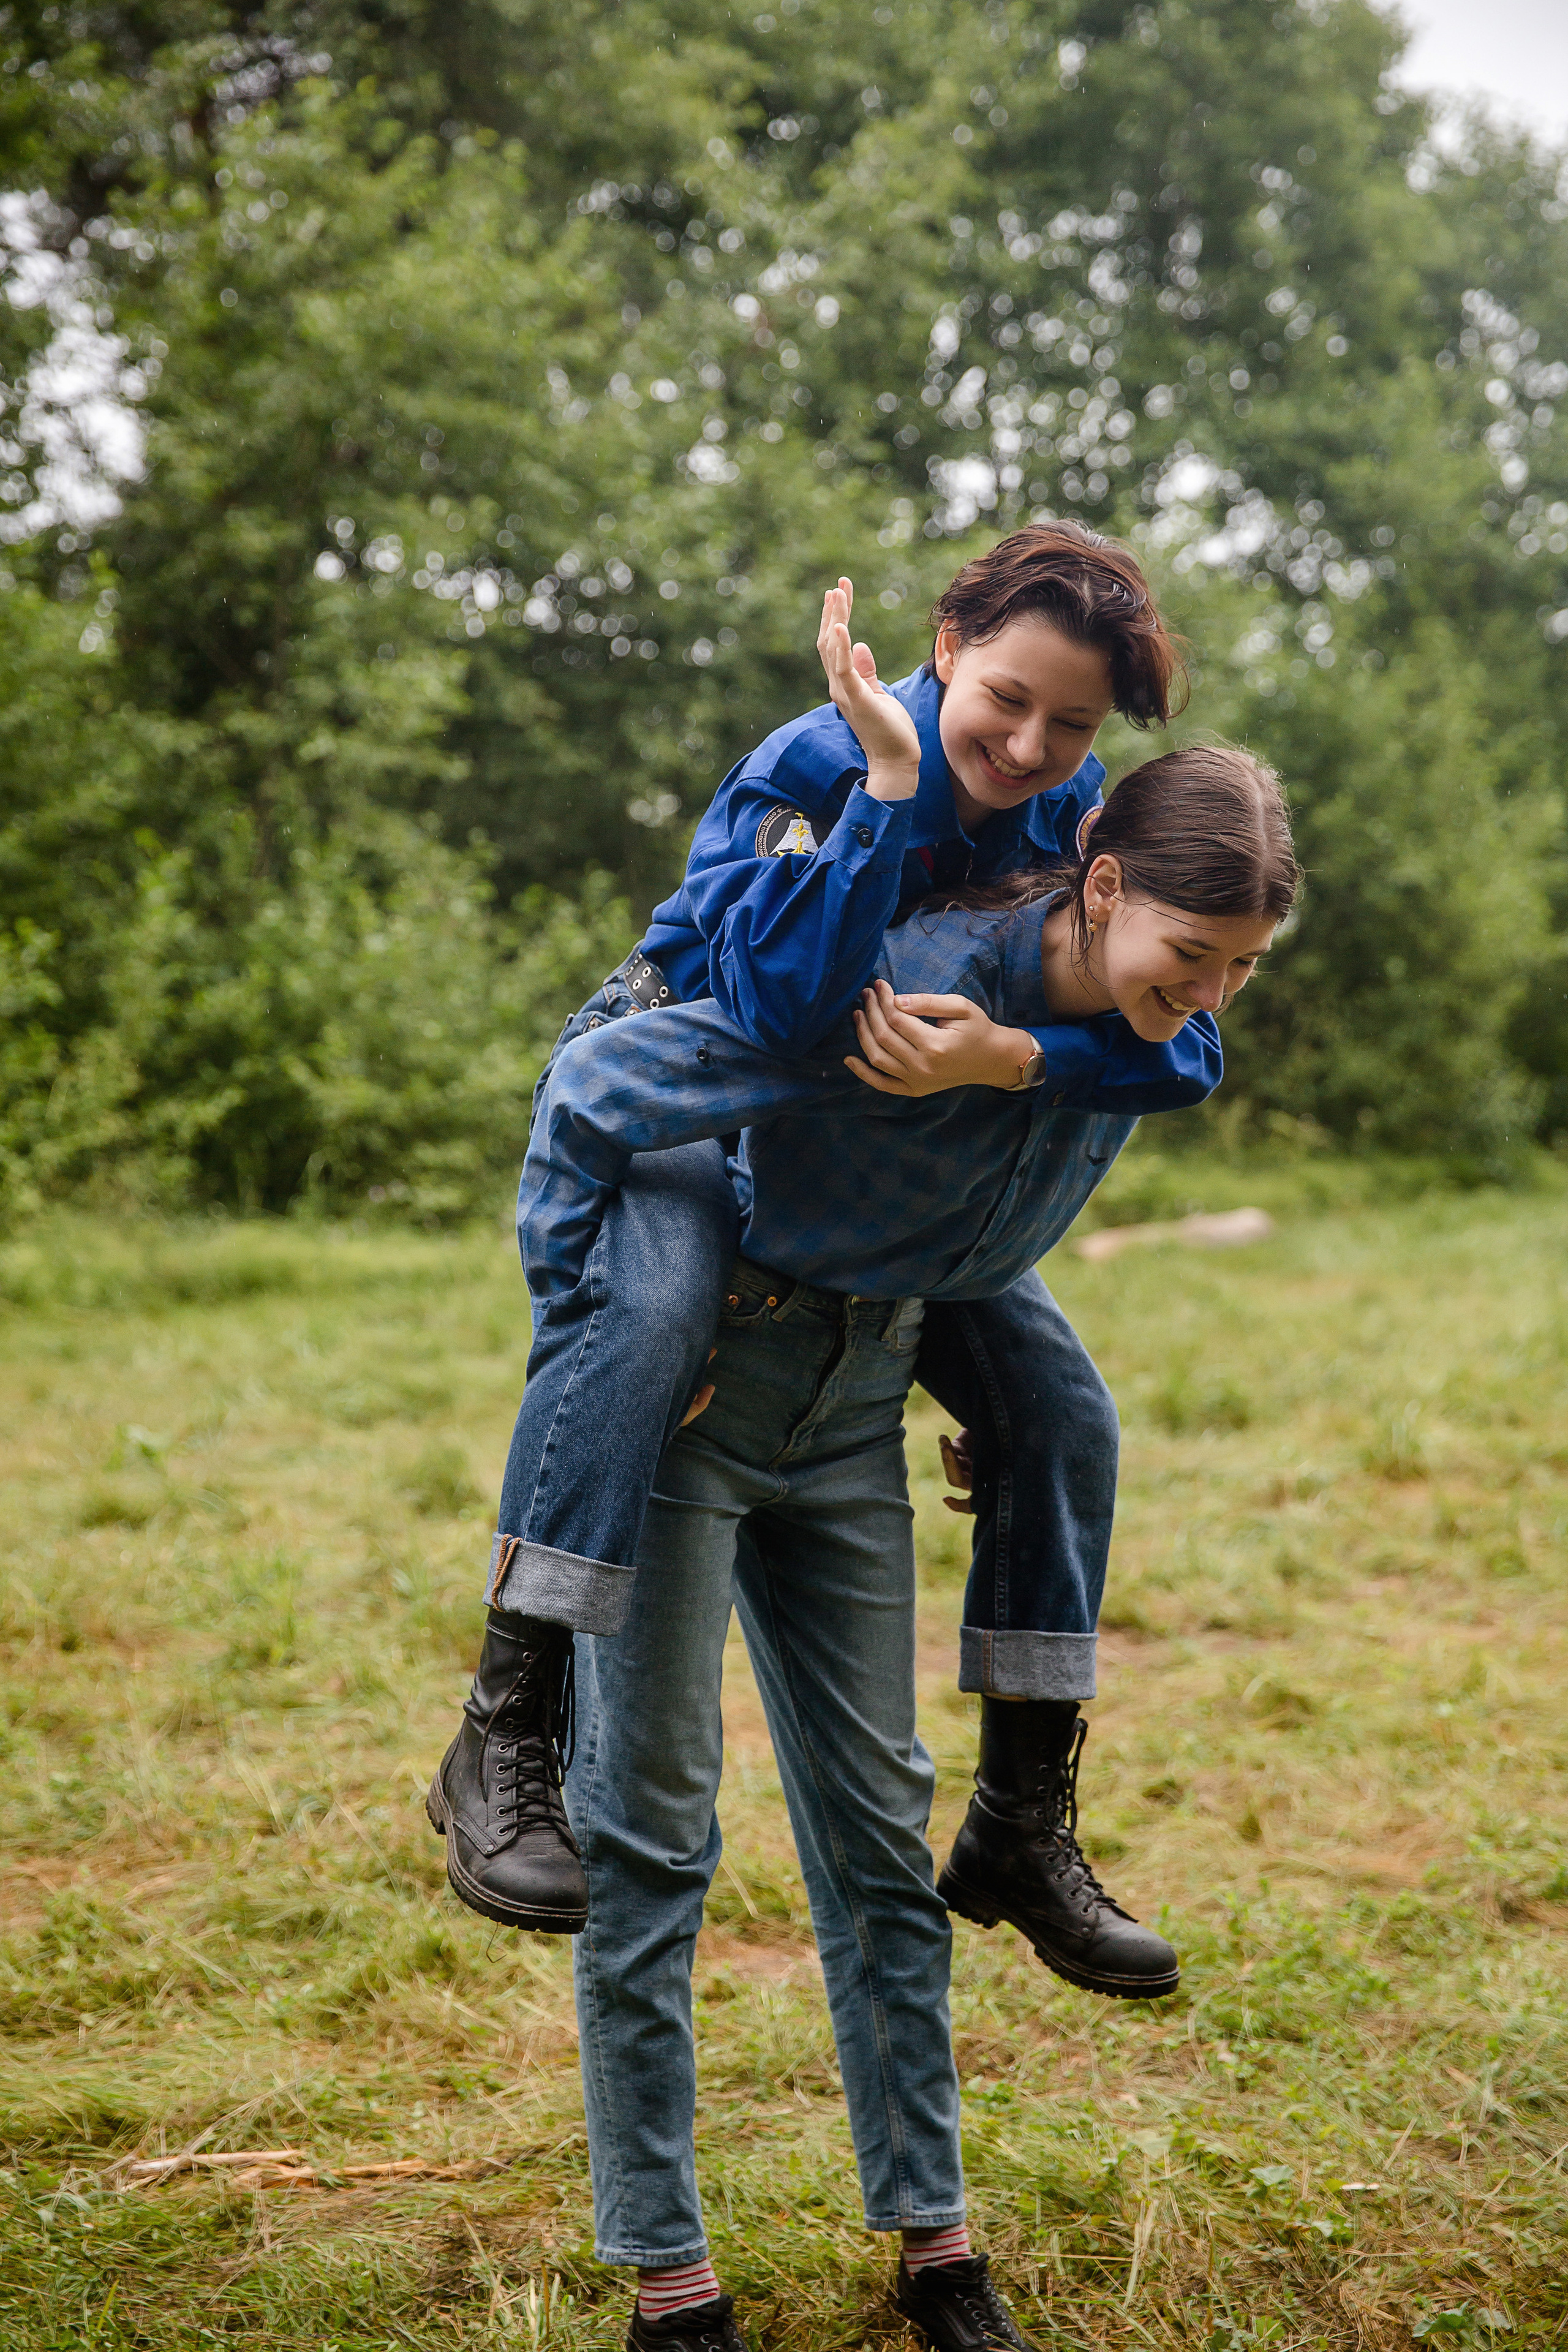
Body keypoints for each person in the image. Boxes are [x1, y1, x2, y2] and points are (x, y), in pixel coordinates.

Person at [440, 752, 1298, 2352]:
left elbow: (1141, 1079)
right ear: (1107, 891)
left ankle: (937, 2242)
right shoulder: (890, 984)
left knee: (875, 1829)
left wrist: (984, 1351)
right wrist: (605, 1322)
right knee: (651, 1832)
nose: (1208, 1001)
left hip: (862, 1402)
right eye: (1198, 962)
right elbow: (615, 1093)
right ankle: (669, 2277)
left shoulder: (1130, 1023)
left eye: (1240, 970)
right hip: (705, 1394)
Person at [430, 526, 1216, 1975]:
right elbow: (786, 1004)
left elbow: (1167, 1035)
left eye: (1072, 724)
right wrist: (892, 790)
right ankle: (502, 1729)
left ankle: (1021, 1817)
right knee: (655, 1311)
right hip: (686, 1071)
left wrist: (1010, 1059)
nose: (1034, 744)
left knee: (1055, 1409)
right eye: (1005, 699)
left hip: (874, 1134)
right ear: (942, 650)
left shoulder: (1076, 811)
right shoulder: (815, 762)